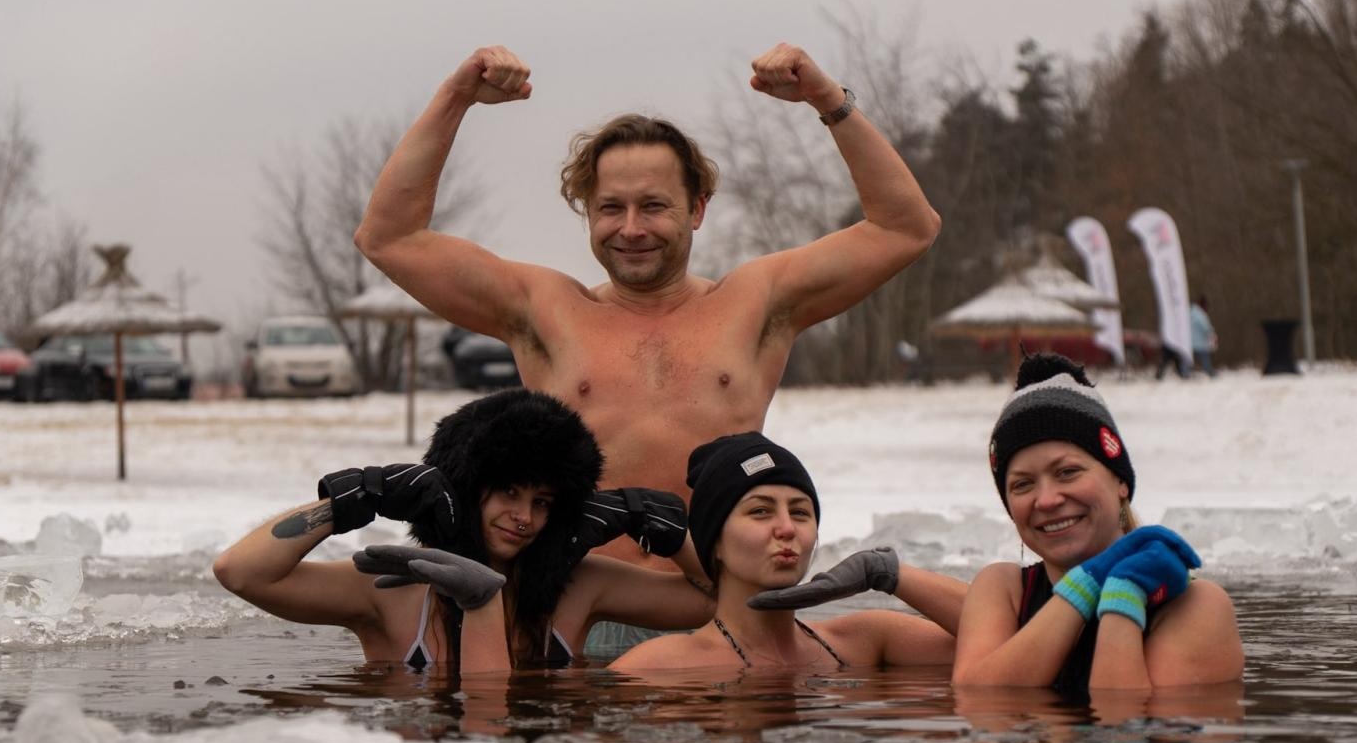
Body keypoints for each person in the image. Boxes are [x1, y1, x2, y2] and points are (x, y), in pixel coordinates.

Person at [353, 43, 942, 565]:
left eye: (654, 207)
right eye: (611, 208)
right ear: (588, 212)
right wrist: (456, 97)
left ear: (697, 209)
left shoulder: (757, 302)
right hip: (577, 609)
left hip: (711, 615)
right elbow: (389, 238)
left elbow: (904, 228)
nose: (631, 229)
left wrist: (827, 99)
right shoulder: (545, 310)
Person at [212, 390, 712, 673]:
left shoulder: (580, 585)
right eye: (510, 494)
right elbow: (241, 572)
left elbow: (713, 602)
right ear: (467, 487)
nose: (525, 518)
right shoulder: (392, 591)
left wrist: (666, 534)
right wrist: (355, 498)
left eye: (543, 503)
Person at [951, 354, 1242, 692]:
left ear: (1120, 481)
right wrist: (1085, 587)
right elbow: (979, 698)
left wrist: (1123, 595)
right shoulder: (1003, 589)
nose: (1046, 500)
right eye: (1022, 484)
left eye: (1067, 472)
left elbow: (1121, 727)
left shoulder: (1197, 606)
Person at [609, 433, 955, 674]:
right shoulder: (657, 667)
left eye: (801, 512)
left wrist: (886, 572)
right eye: (760, 511)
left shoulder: (866, 641)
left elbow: (1002, 641)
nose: (787, 528)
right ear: (714, 541)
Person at [1190, 295, 1218, 377]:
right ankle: (1211, 374)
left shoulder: (1189, 312)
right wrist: (1212, 335)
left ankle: (1185, 374)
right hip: (1199, 343)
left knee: (1187, 360)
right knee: (1205, 360)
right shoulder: (1201, 315)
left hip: (1189, 343)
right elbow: (1206, 328)